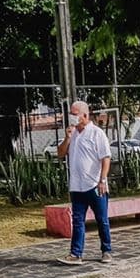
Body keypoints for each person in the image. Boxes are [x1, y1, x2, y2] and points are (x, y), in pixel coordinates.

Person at [55, 100, 113, 265]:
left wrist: (102, 179)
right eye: (71, 114)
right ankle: (75, 254)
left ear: (85, 115)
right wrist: (67, 138)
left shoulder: (97, 133)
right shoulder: (72, 134)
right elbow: (60, 153)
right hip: (77, 186)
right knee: (78, 220)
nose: (72, 118)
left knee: (102, 219)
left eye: (75, 114)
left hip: (95, 185)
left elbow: (106, 158)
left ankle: (106, 250)